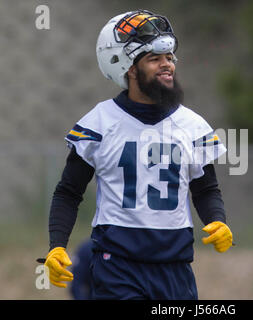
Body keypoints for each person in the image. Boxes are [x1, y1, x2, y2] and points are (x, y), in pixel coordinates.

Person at [43, 9, 233, 300]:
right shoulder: (100, 123)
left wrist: (217, 219)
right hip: (118, 267)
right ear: (129, 68)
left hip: (176, 269)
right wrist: (57, 245)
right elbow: (68, 192)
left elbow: (206, 189)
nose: (167, 65)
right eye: (154, 58)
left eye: (169, 57)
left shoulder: (192, 125)